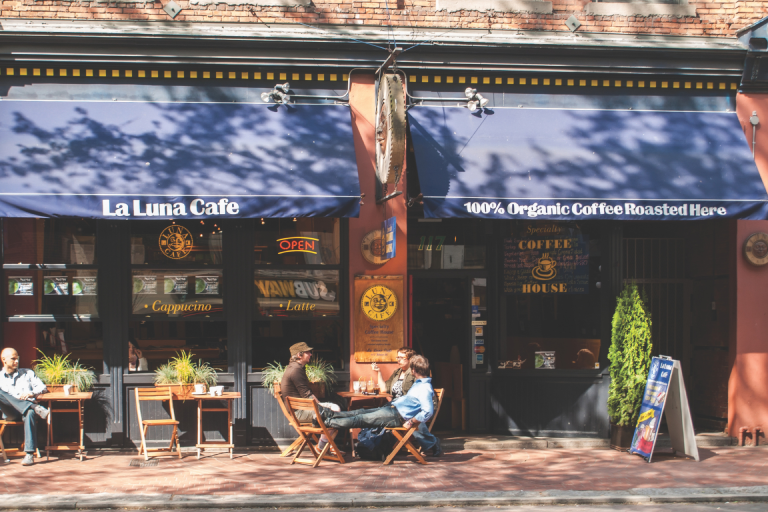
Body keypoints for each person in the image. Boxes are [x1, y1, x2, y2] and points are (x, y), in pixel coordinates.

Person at [324, 355, 442, 456]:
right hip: (391, 408)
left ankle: (326, 422)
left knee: (360, 419)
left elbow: (428, 412)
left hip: (396, 415)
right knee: (359, 412)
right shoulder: (419, 383)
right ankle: (328, 415)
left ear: (414, 370)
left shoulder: (425, 388)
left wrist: (411, 421)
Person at [369, 347, 442, 456]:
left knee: (412, 417)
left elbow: (418, 398)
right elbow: (385, 389)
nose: (398, 360)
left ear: (410, 360)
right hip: (399, 407)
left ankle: (433, 443)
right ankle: (380, 445)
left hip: (414, 407)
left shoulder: (415, 374)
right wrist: (378, 372)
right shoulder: (397, 372)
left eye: (401, 358)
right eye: (397, 357)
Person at [279, 341, 340, 452]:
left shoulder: (295, 368)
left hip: (301, 409)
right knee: (335, 412)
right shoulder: (296, 370)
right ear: (299, 355)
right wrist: (320, 407)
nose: (311, 354)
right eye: (308, 352)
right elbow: (307, 394)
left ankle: (327, 446)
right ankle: (322, 446)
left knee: (335, 409)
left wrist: (320, 406)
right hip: (299, 412)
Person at [0, 348, 49, 466]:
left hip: (26, 413)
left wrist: (31, 394)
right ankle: (33, 407)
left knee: (30, 413)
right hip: (10, 412)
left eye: (17, 359)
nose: (16, 361)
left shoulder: (28, 373)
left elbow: (43, 388)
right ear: (3, 360)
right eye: (13, 359)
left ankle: (29, 455)